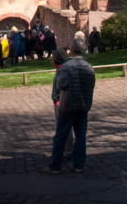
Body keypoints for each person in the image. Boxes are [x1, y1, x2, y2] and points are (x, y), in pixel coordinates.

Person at [45, 38, 96, 174]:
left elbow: (61, 85)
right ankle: (79, 164)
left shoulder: (67, 67)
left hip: (68, 106)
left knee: (60, 136)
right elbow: (91, 86)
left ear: (72, 50)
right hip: (83, 105)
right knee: (80, 136)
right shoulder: (89, 68)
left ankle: (55, 165)